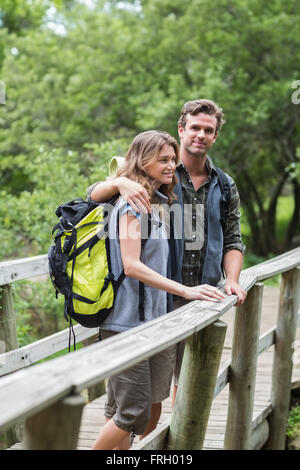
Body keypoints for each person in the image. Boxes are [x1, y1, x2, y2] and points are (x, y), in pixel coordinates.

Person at [89, 99, 247, 408]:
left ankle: (175, 448)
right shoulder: (159, 169)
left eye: (209, 130)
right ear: (182, 129)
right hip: (159, 298)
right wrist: (120, 181)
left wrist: (232, 279)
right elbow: (93, 196)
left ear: (215, 136)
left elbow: (233, 239)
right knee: (146, 399)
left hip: (202, 297)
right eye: (195, 128)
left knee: (189, 384)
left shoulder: (224, 185)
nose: (201, 135)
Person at [90, 130, 225, 450]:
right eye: (162, 160)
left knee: (143, 408)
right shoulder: (130, 204)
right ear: (142, 160)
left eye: (172, 159)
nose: (170, 166)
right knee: (131, 413)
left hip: (154, 322)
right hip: (126, 323)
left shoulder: (161, 201)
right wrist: (186, 290)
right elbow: (132, 264)